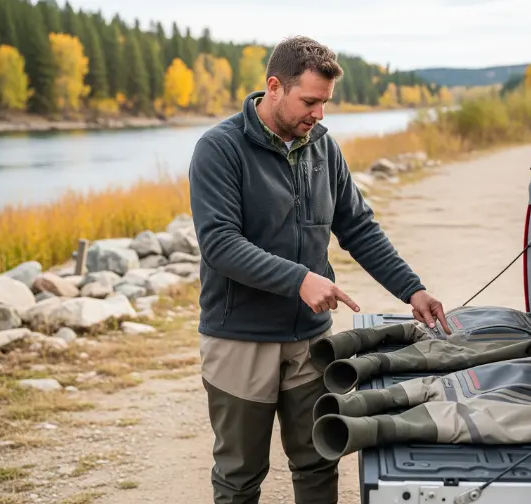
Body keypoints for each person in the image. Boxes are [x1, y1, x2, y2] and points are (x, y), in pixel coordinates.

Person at [188, 35, 451, 504]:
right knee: (240, 473)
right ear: (274, 87)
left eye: (325, 103)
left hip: (308, 338)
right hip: (240, 340)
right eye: (310, 101)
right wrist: (299, 279)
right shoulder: (219, 149)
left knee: (316, 460)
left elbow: (360, 229)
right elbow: (221, 245)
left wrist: (412, 289)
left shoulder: (323, 149)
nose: (319, 114)